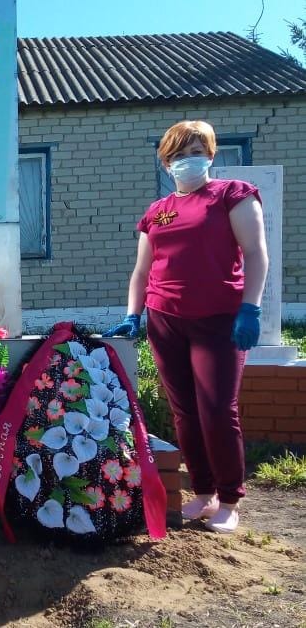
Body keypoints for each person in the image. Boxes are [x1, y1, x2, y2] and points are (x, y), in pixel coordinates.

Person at [104, 120, 268, 534]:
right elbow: (142, 272)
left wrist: (251, 308)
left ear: (210, 155)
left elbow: (256, 254)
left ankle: (230, 498)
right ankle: (203, 492)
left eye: (194, 152)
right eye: (177, 155)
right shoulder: (157, 213)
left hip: (219, 321)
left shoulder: (232, 195)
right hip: (165, 321)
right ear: (165, 163)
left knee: (216, 409)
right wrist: (132, 314)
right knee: (185, 414)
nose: (186, 161)